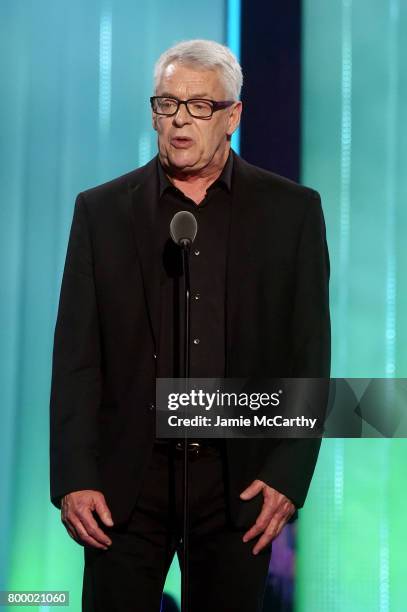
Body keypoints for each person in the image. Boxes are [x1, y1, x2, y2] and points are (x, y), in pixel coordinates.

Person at [49, 39, 330, 611]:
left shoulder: (292, 212)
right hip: (126, 487)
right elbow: (76, 356)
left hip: (237, 482)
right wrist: (75, 476)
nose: (179, 119)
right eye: (166, 103)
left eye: (199, 106)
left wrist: (288, 474)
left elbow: (309, 353)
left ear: (234, 116)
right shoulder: (101, 213)